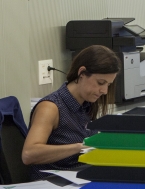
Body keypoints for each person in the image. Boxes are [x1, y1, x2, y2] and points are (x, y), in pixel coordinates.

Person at [22, 45, 120, 180]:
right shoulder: (50, 107)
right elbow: (29, 154)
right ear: (82, 73)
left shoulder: (87, 105)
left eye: (108, 85)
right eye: (100, 82)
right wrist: (79, 147)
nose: (104, 91)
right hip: (52, 186)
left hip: (80, 178)